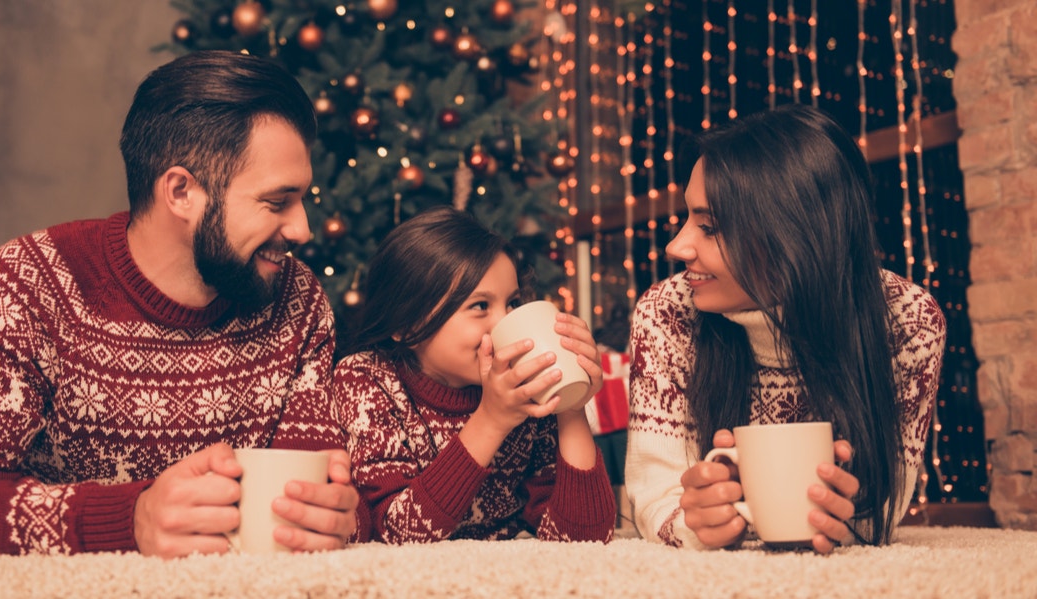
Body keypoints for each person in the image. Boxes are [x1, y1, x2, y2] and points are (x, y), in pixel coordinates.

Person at [0, 51, 365, 557]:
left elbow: (324, 492)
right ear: (181, 192)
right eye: (276, 201)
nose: (303, 229)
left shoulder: (296, 299)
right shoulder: (29, 284)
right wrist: (129, 519)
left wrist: (333, 516)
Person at [624, 105, 946, 553]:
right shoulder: (666, 312)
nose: (677, 246)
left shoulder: (908, 320)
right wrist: (696, 521)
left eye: (710, 227)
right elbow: (654, 496)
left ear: (793, 235)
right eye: (687, 219)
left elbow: (883, 511)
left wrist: (845, 519)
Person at [333, 206, 616, 543]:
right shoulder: (367, 379)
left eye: (511, 303)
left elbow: (586, 538)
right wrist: (492, 420)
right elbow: (398, 532)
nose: (502, 323)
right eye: (480, 306)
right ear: (405, 324)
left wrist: (570, 404)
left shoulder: (524, 388)